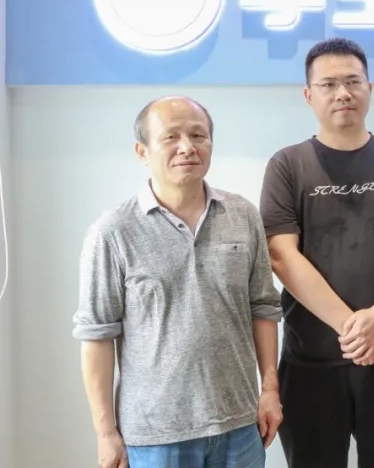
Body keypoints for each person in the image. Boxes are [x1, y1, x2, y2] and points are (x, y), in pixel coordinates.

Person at [73, 96, 283, 468]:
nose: (187, 147)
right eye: (171, 137)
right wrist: (105, 433)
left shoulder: (242, 215)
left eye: (198, 135)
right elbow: (97, 335)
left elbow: (263, 308)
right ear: (142, 151)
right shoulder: (113, 232)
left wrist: (270, 390)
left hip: (240, 426)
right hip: (156, 438)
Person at [259, 38, 374, 468]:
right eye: (328, 84)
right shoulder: (287, 165)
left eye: (352, 81)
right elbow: (281, 256)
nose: (342, 93)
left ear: (370, 88)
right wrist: (354, 329)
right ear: (308, 95)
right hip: (310, 361)